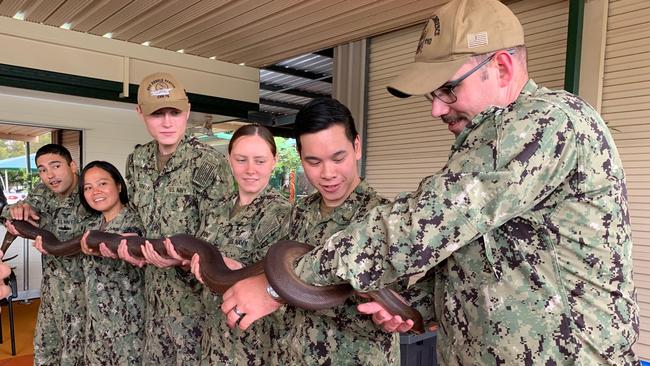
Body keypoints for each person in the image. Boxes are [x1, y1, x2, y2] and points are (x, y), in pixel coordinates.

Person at [221, 0, 640, 365]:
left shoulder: (544, 122)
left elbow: (425, 221)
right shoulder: (487, 140)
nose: (436, 110)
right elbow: (482, 262)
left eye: (447, 89)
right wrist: (414, 305)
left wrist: (283, 285)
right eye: (431, 95)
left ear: (502, 66)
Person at [223, 98, 434, 365]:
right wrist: (240, 270)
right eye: (313, 162)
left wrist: (275, 292)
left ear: (356, 147)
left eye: (338, 157)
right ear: (300, 157)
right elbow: (279, 272)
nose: (328, 173)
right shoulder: (298, 212)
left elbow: (382, 310)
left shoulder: (383, 221)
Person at [120, 71, 233, 365]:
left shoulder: (209, 163)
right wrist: (129, 243)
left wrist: (181, 260)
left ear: (188, 112)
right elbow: (135, 217)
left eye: (175, 112)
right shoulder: (137, 161)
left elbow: (217, 239)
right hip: (152, 300)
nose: (168, 122)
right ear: (140, 113)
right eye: (158, 113)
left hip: (195, 305)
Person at [182, 124, 291, 365]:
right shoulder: (216, 209)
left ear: (274, 161)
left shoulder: (285, 215)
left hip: (255, 349)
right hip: (211, 341)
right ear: (229, 160)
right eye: (241, 160)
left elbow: (285, 286)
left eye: (260, 161)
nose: (250, 170)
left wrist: (236, 269)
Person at [2, 144, 95, 365]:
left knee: (75, 355)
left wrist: (39, 235)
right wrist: (18, 209)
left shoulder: (89, 191)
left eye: (55, 166)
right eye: (42, 170)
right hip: (52, 289)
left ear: (73, 166)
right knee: (44, 350)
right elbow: (14, 216)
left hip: (86, 293)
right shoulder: (43, 191)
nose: (49, 175)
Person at [77, 161, 145, 365]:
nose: (95, 191)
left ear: (119, 186)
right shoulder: (91, 226)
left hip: (128, 332)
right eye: (88, 187)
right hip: (96, 329)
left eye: (102, 183)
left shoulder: (137, 223)